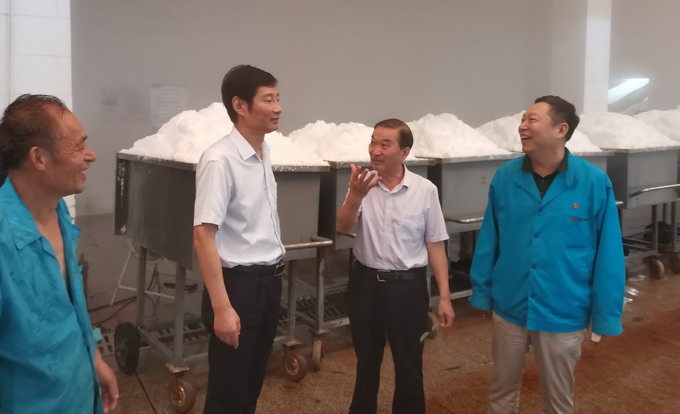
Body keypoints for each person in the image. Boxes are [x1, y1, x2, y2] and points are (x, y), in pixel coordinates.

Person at [470, 95, 625, 414]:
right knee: (501, 392)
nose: (522, 126)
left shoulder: (593, 182)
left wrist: (606, 315)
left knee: (557, 401)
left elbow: (608, 254)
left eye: (532, 120)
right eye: (522, 119)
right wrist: (482, 292)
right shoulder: (506, 177)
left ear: (560, 130)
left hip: (564, 309)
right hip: (511, 306)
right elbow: (489, 240)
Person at [0, 94, 118, 413]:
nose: (91, 155)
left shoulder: (59, 210)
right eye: (79, 146)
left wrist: (93, 358)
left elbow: (68, 307)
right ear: (39, 158)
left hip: (79, 394)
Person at [337, 118, 455, 414]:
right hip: (365, 285)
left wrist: (444, 296)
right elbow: (343, 227)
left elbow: (435, 243)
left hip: (407, 288)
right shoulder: (361, 184)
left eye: (385, 144)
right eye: (373, 142)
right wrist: (355, 196)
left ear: (404, 152)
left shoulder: (424, 190)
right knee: (366, 361)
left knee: (409, 362)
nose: (375, 150)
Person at [193, 65, 285, 414]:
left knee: (251, 383)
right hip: (238, 287)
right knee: (228, 393)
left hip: (268, 281)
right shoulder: (220, 159)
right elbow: (203, 236)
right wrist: (222, 308)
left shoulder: (263, 152)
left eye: (278, 98)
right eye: (268, 100)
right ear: (240, 105)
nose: (277, 107)